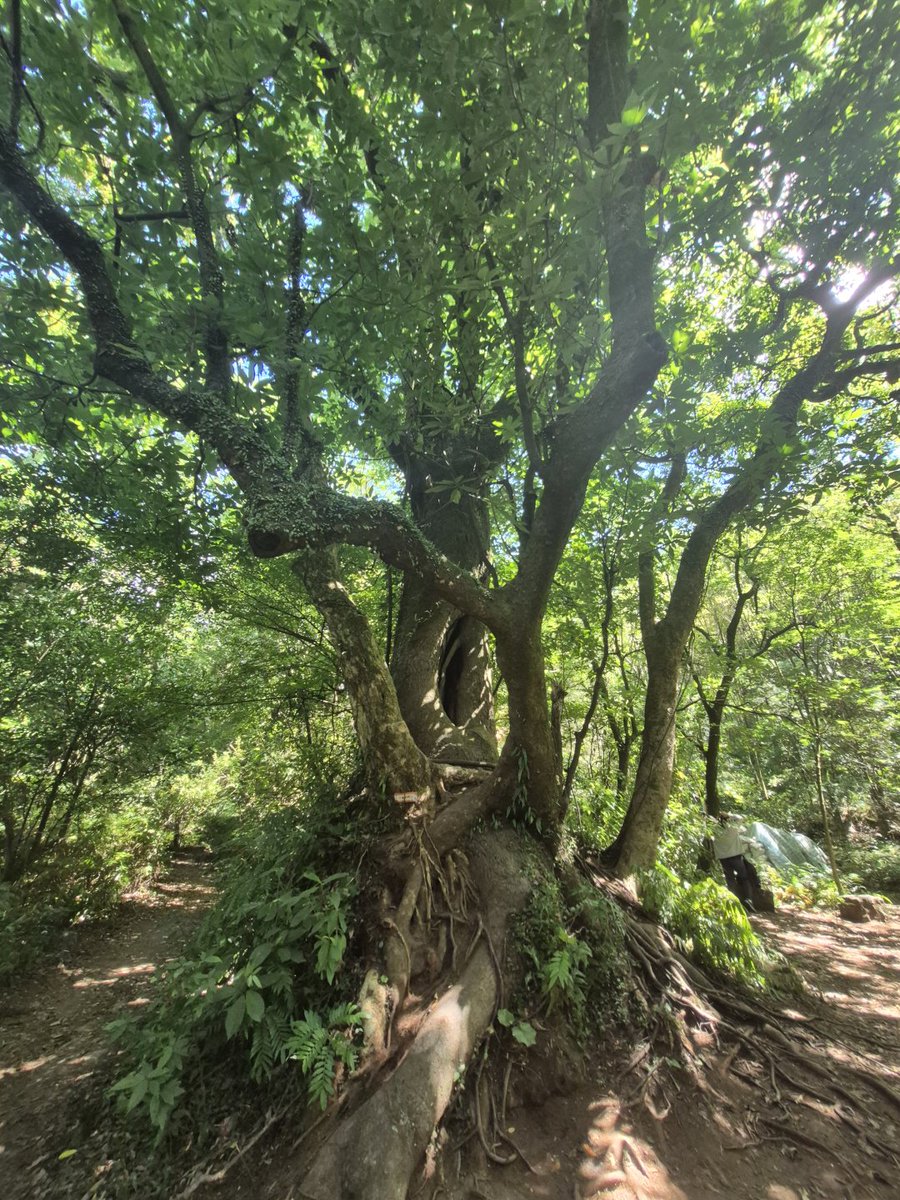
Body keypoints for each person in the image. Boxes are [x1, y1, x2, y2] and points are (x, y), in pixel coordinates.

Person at [713, 813, 754, 910]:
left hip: (723, 858)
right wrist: (729, 814)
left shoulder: (715, 830)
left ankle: (733, 903)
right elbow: (741, 817)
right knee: (744, 877)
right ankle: (748, 900)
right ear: (728, 820)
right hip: (735, 857)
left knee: (730, 880)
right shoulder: (732, 828)